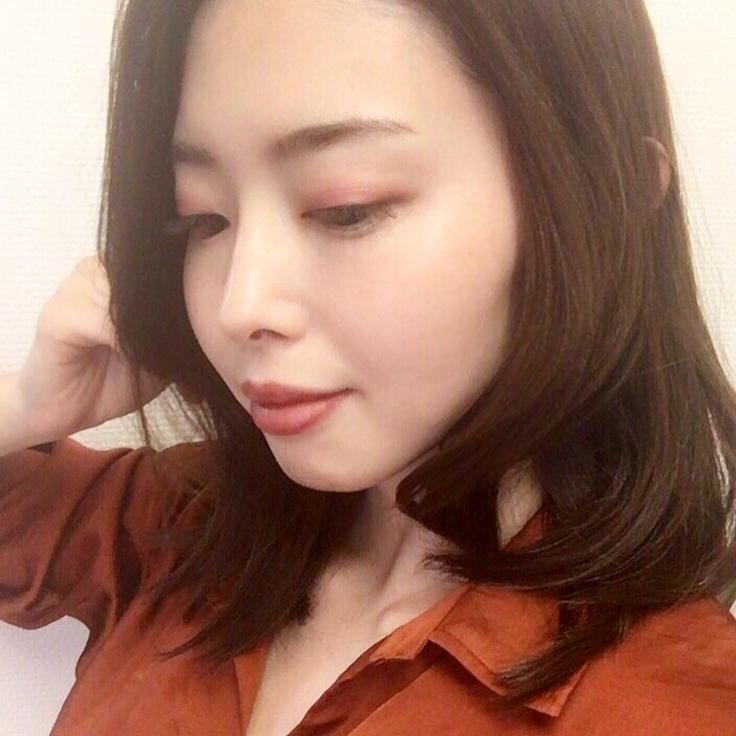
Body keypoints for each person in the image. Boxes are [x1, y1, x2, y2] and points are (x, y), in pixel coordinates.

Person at [1, 0, 735, 734]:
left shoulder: (676, 707)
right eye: (203, 218)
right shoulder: (186, 524)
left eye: (346, 208)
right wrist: (27, 403)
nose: (238, 305)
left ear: (604, 202)